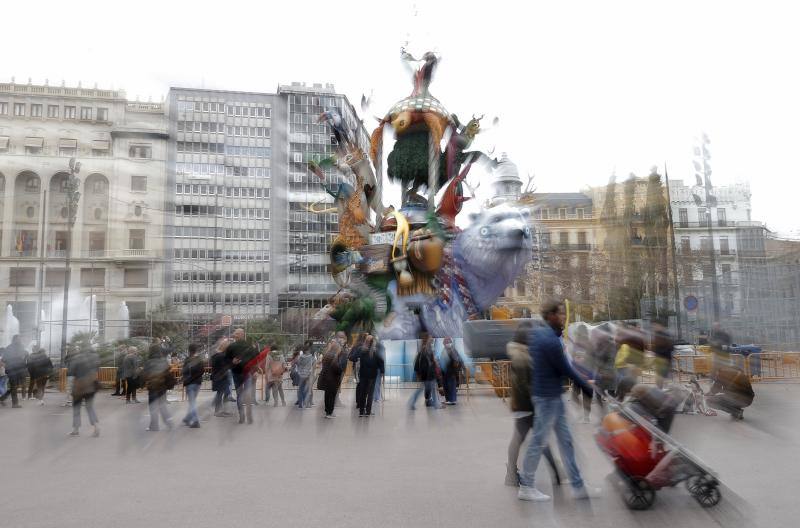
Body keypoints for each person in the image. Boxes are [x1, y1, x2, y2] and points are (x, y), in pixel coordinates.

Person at [518, 300, 601, 502]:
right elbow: (565, 368)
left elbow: (563, 367)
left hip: (551, 396)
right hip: (548, 398)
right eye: (560, 314)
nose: (563, 317)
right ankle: (526, 485)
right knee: (539, 441)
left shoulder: (542, 335)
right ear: (550, 315)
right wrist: (587, 387)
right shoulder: (549, 340)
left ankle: (577, 485)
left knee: (566, 441)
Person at [506, 321, 561, 487]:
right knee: (539, 439)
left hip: (522, 405)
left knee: (520, 439)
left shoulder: (521, 354)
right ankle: (555, 472)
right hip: (527, 406)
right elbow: (525, 385)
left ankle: (512, 475)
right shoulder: (522, 357)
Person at [225, 328, 258, 424]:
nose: (235, 335)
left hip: (240, 373)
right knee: (245, 394)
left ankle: (243, 416)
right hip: (243, 373)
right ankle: (247, 415)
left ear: (240, 335)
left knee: (241, 395)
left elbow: (226, 360)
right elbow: (255, 359)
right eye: (235, 334)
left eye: (236, 334)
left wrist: (232, 362)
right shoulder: (247, 346)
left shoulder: (232, 347)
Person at [69, 346, 100, 437]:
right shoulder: (94, 358)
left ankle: (76, 429)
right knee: (90, 407)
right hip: (91, 386)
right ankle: (96, 426)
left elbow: (71, 372)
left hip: (79, 386)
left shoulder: (76, 358)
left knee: (76, 407)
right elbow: (97, 369)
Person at [144, 344, 174, 431]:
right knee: (162, 406)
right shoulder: (163, 361)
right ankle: (169, 423)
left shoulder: (149, 362)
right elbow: (168, 373)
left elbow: (145, 374)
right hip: (162, 387)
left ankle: (154, 426)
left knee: (153, 407)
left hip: (153, 387)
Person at [408, 336, 442, 410]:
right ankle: (411, 402)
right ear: (427, 341)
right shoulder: (425, 351)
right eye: (431, 340)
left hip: (428, 375)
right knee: (425, 389)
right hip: (428, 375)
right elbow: (424, 364)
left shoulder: (427, 350)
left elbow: (428, 363)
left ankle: (436, 404)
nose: (432, 341)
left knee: (430, 389)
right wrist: (423, 374)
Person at [614, 324, 645, 401]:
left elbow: (641, 350)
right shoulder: (632, 337)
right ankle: (627, 397)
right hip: (631, 362)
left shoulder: (637, 337)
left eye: (633, 328)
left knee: (629, 380)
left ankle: (625, 397)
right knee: (630, 380)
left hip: (634, 362)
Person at [356, 335, 385, 416]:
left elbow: (354, 357)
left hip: (363, 375)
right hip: (372, 376)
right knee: (370, 394)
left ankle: (361, 412)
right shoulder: (375, 352)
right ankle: (368, 412)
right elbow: (381, 362)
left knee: (363, 393)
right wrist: (382, 371)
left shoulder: (361, 350)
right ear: (373, 342)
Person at [318, 341, 344, 418]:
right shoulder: (334, 356)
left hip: (325, 378)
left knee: (327, 395)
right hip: (332, 379)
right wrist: (340, 370)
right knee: (332, 396)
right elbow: (336, 367)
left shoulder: (326, 355)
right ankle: (330, 412)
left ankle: (327, 411)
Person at [181, 344, 204, 428]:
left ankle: (195, 420)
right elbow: (202, 371)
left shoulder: (187, 360)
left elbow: (184, 371)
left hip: (190, 383)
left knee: (192, 402)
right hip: (198, 383)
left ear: (189, 350)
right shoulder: (199, 359)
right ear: (196, 350)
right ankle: (188, 418)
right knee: (192, 402)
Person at [0, 335, 26, 408]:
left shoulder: (20, 347)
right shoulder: (9, 348)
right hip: (12, 370)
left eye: (20, 339)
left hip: (18, 370)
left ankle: (2, 398)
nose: (20, 340)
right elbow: (4, 360)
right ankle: (15, 403)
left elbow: (22, 359)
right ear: (14, 340)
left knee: (14, 386)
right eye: (18, 339)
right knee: (14, 386)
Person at [211, 338, 232, 416]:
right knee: (220, 394)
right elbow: (224, 367)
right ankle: (217, 411)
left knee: (224, 393)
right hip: (221, 378)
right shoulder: (221, 356)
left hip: (219, 377)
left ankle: (221, 410)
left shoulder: (217, 354)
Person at [650, 320, 674, 389]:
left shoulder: (665, 335)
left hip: (664, 360)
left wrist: (658, 352)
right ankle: (660, 391)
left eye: (655, 325)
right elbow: (654, 347)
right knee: (660, 379)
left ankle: (662, 392)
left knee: (662, 379)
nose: (653, 327)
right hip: (659, 360)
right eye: (653, 326)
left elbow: (671, 347)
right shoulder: (656, 335)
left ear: (660, 325)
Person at [441, 337, 463, 405]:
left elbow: (456, 361)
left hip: (451, 372)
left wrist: (454, 370)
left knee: (451, 386)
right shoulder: (444, 350)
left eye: (448, 341)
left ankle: (452, 400)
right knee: (446, 386)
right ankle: (448, 399)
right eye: (445, 341)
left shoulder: (452, 350)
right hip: (445, 372)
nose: (447, 343)